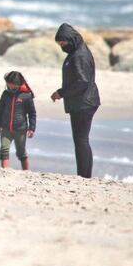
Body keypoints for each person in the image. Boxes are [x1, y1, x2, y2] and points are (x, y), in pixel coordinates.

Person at [51, 23, 101, 179]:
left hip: (84, 103)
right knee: (81, 141)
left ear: (70, 39)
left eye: (63, 44)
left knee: (81, 140)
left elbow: (82, 81)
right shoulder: (75, 52)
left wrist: (61, 92)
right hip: (81, 102)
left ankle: (84, 176)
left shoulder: (80, 55)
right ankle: (84, 175)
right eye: (60, 44)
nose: (62, 47)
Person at [0, 71, 36, 170]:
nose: (7, 84)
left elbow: (32, 113)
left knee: (21, 152)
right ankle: (5, 170)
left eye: (8, 82)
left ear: (15, 83)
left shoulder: (26, 96)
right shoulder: (5, 94)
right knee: (4, 150)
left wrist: (32, 128)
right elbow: (0, 110)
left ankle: (26, 171)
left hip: (20, 129)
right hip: (6, 128)